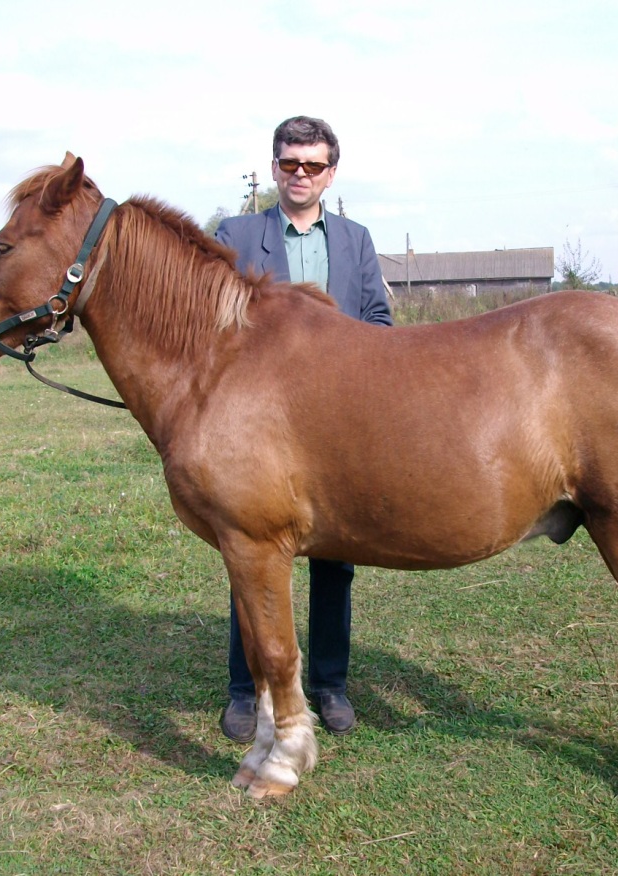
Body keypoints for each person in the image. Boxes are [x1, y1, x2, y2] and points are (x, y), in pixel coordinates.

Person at [214, 115, 393, 742]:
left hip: (337, 419)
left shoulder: (355, 239)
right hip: (261, 421)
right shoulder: (236, 234)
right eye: (290, 163)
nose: (300, 175)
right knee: (253, 557)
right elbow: (211, 316)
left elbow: (377, 320)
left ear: (331, 173)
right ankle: (246, 689)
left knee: (336, 559)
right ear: (274, 168)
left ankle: (331, 684)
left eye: (313, 165)